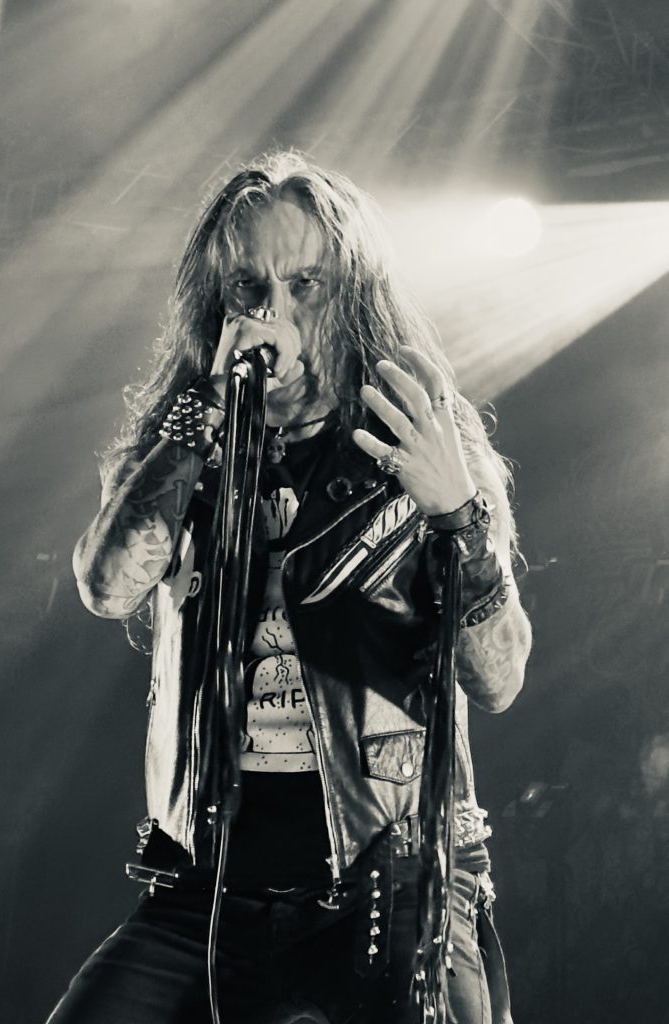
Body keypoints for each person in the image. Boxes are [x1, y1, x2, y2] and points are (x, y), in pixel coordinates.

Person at [54, 151, 532, 1024]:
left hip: (390, 879)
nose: (272, 310)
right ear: (217, 301)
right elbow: (107, 586)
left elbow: (498, 679)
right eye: (249, 286)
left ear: (350, 294)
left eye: (305, 284)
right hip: (207, 889)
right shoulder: (188, 445)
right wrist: (203, 416)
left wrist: (455, 512)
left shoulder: (414, 434)